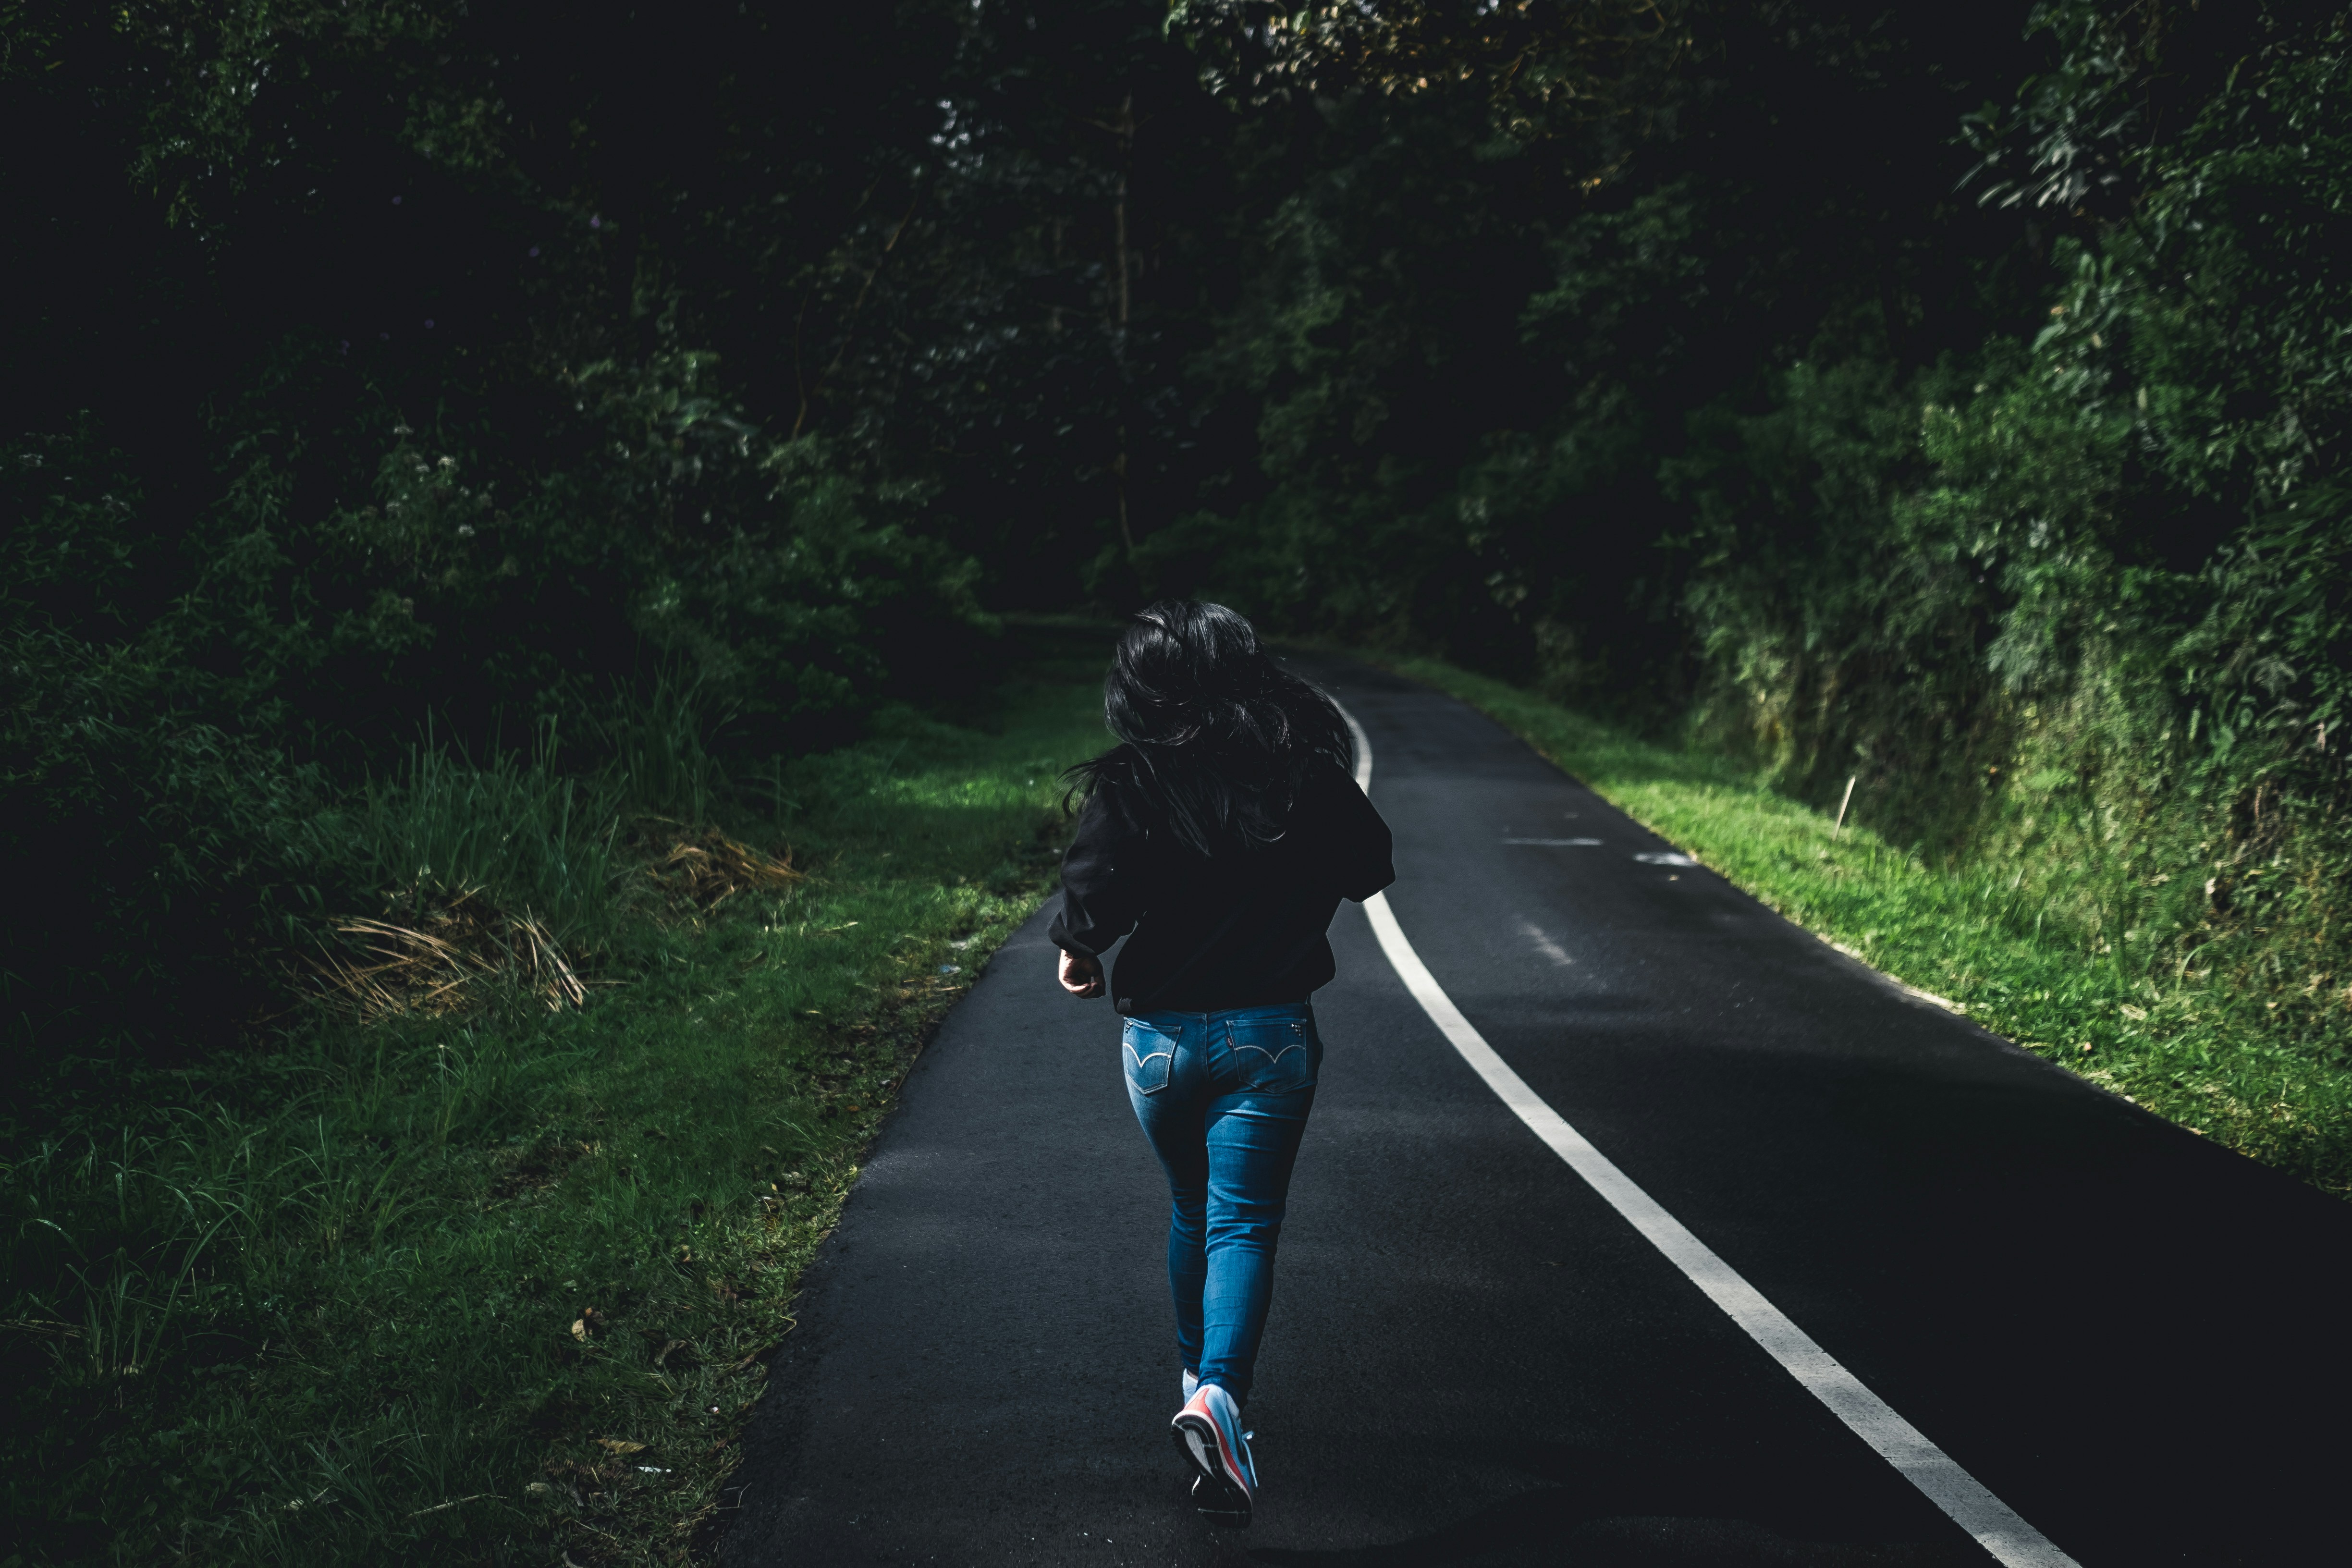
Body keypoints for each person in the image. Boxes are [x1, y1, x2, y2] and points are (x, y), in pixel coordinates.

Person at [1051, 600, 1395, 1528]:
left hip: (1159, 1045)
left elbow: (1092, 894)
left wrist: (1078, 951)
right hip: (1269, 1036)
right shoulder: (1301, 771)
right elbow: (1369, 866)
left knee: (1191, 1210)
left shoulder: (1134, 778)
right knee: (1243, 1223)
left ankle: (1195, 1385)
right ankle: (1220, 1397)